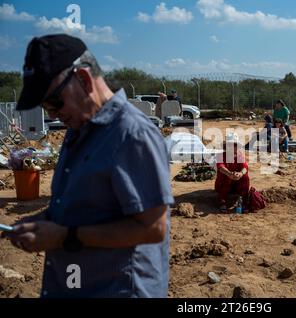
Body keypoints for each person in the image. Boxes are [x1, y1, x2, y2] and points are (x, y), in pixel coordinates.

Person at [3, 34, 174, 298]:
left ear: (83, 79)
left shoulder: (132, 135)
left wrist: (65, 236)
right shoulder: (79, 128)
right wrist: (41, 222)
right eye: (45, 106)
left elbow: (153, 228)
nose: (51, 114)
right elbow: (86, 206)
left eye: (54, 102)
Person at [215, 134, 250, 213]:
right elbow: (220, 167)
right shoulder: (220, 155)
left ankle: (244, 202)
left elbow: (245, 167)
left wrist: (240, 174)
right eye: (229, 145)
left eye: (234, 145)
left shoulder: (239, 155)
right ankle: (222, 202)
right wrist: (229, 174)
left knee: (245, 177)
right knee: (225, 176)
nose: (231, 147)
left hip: (236, 184)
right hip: (223, 184)